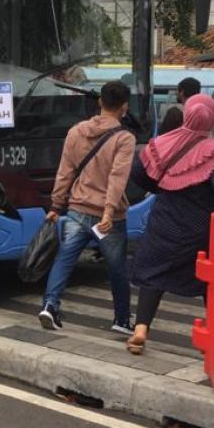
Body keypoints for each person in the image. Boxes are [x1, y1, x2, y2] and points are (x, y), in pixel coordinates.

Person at [125, 94, 214, 354]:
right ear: (211, 119)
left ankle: (141, 329)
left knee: (153, 274)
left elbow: (136, 173)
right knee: (209, 281)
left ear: (186, 114)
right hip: (199, 229)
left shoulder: (162, 143)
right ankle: (213, 337)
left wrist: (161, 187)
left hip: (164, 222)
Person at [39, 81, 136, 334]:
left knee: (64, 258)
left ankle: (50, 305)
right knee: (116, 268)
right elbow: (117, 178)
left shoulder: (76, 131)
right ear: (124, 107)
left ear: (100, 102)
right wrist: (107, 212)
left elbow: (65, 172)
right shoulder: (124, 139)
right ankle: (122, 320)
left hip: (77, 210)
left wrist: (56, 205)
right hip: (109, 218)